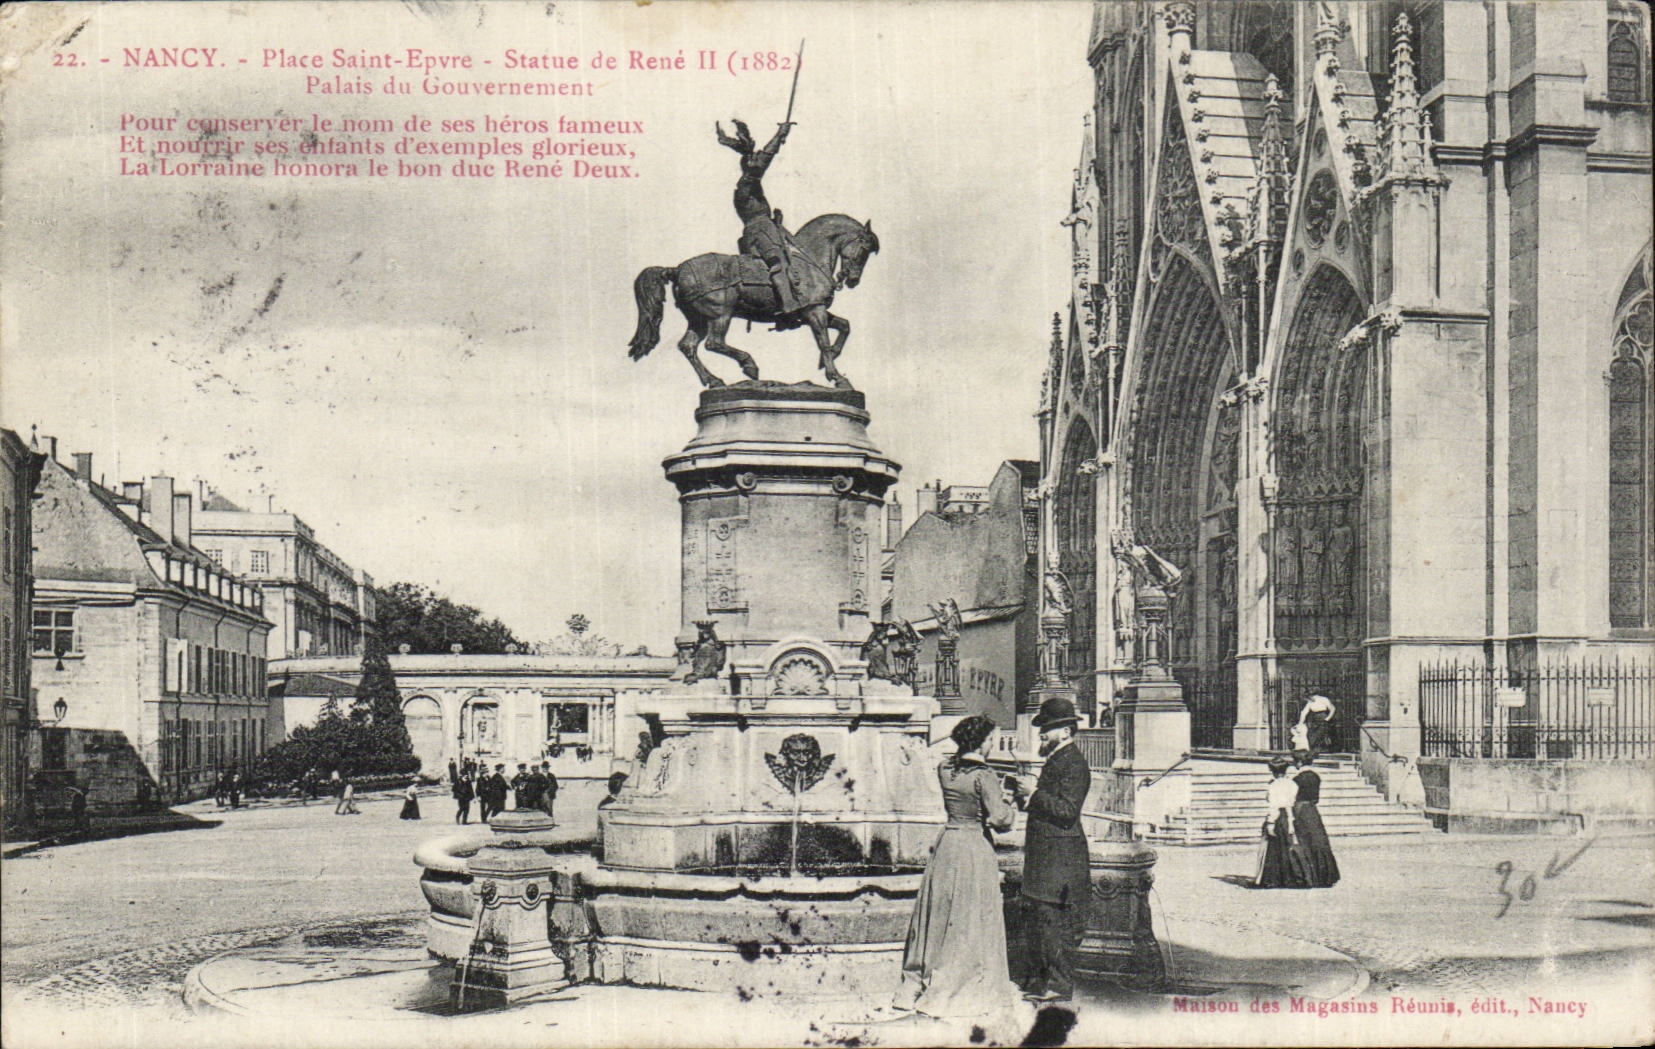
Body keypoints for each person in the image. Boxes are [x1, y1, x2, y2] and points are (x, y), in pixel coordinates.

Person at [892, 716, 1023, 1029]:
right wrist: (1012, 802)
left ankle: (918, 983)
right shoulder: (984, 775)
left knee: (939, 913)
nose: (992, 745)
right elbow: (1000, 820)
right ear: (980, 742)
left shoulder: (945, 769)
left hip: (947, 842)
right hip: (973, 848)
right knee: (971, 915)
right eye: (991, 740)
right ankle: (963, 983)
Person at [1013, 696, 1092, 1003]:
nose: (1041, 735)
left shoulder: (1073, 763)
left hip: (1060, 859)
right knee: (1043, 918)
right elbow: (1049, 806)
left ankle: (1058, 986)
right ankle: (1042, 981)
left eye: (1046, 729)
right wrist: (1024, 796)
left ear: (1065, 731)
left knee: (1053, 921)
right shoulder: (1058, 759)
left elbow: (1067, 811)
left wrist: (1033, 793)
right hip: (1048, 857)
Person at [716, 117, 802, 313]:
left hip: (764, 228)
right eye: (752, 160)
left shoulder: (748, 185)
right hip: (760, 231)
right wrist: (780, 135)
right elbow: (763, 160)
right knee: (777, 262)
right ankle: (788, 305)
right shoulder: (745, 185)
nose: (756, 161)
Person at [1288, 751, 1340, 887]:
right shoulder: (1316, 777)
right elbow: (1316, 798)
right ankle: (1325, 875)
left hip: (1301, 810)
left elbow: (1292, 798)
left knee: (1305, 842)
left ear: (1299, 762)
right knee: (1318, 841)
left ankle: (1310, 875)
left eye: (1295, 761)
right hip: (1313, 810)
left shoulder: (1297, 779)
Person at [1253, 758, 1298, 888]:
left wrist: (1270, 822)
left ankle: (1272, 878)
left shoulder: (1273, 786)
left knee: (1272, 848)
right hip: (1288, 815)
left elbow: (1273, 805)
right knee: (1287, 846)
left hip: (1277, 816)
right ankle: (1289, 877)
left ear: (1273, 771)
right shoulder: (1292, 784)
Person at [1297, 693, 1337, 758]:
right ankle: (1313, 752)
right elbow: (1304, 712)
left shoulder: (1324, 699)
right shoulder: (1310, 702)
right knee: (1312, 735)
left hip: (1323, 717)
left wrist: (1327, 718)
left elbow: (1332, 708)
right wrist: (1300, 723)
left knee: (1319, 735)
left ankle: (1316, 752)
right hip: (1314, 718)